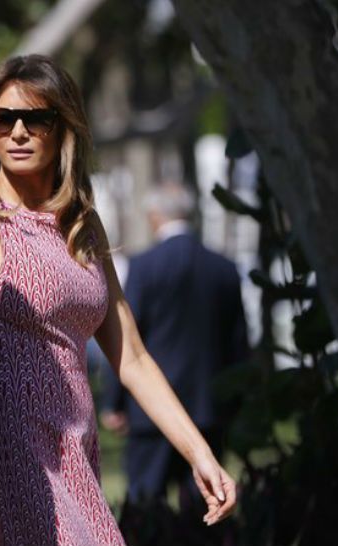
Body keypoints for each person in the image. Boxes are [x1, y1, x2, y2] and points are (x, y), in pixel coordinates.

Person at [0, 55, 237, 546]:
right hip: (13, 451)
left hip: (76, 447)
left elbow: (133, 356)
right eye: (3, 119)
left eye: (35, 118)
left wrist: (199, 453)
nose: (17, 132)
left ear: (63, 128)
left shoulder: (82, 225)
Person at [99, 182, 249, 539]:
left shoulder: (145, 266)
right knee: (204, 508)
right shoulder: (224, 268)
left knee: (143, 505)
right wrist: (235, 401)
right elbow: (238, 343)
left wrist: (114, 403)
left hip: (149, 410)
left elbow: (126, 335)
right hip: (206, 404)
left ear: (154, 216)